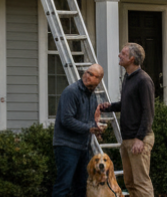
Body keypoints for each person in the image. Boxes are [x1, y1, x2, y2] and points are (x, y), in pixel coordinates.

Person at [98, 44, 155, 197]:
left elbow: (148, 112)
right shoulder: (128, 78)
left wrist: (140, 139)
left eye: (123, 53)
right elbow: (126, 105)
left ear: (131, 59)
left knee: (141, 183)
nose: (119, 55)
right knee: (130, 182)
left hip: (138, 140)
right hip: (127, 138)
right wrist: (108, 107)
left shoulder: (144, 80)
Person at [52, 65, 106, 197]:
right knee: (63, 185)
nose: (88, 76)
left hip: (83, 147)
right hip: (67, 145)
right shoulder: (71, 92)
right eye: (87, 73)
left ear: (99, 80)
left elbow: (88, 120)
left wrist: (97, 129)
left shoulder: (92, 96)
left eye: (93, 75)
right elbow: (67, 120)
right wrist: (89, 128)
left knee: (81, 186)